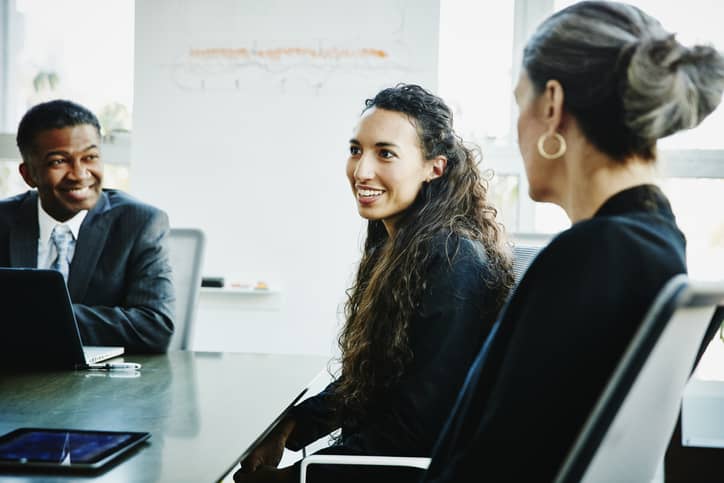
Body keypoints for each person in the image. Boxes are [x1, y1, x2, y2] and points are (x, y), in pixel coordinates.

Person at [421, 2, 724, 481]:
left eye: (520, 101)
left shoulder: (593, 257)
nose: (517, 126)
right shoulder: (655, 242)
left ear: (552, 105)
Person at [233, 84, 514, 482]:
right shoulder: (392, 242)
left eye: (386, 153)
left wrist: (296, 477)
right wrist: (293, 426)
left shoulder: (454, 259)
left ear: (435, 167)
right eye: (355, 150)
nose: (362, 171)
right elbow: (375, 379)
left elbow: (417, 427)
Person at [0, 99, 174, 353]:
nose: (80, 174)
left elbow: (154, 327)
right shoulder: (4, 221)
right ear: (29, 175)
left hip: (103, 385)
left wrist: (38, 316)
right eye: (59, 161)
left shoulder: (140, 223)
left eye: (90, 157)